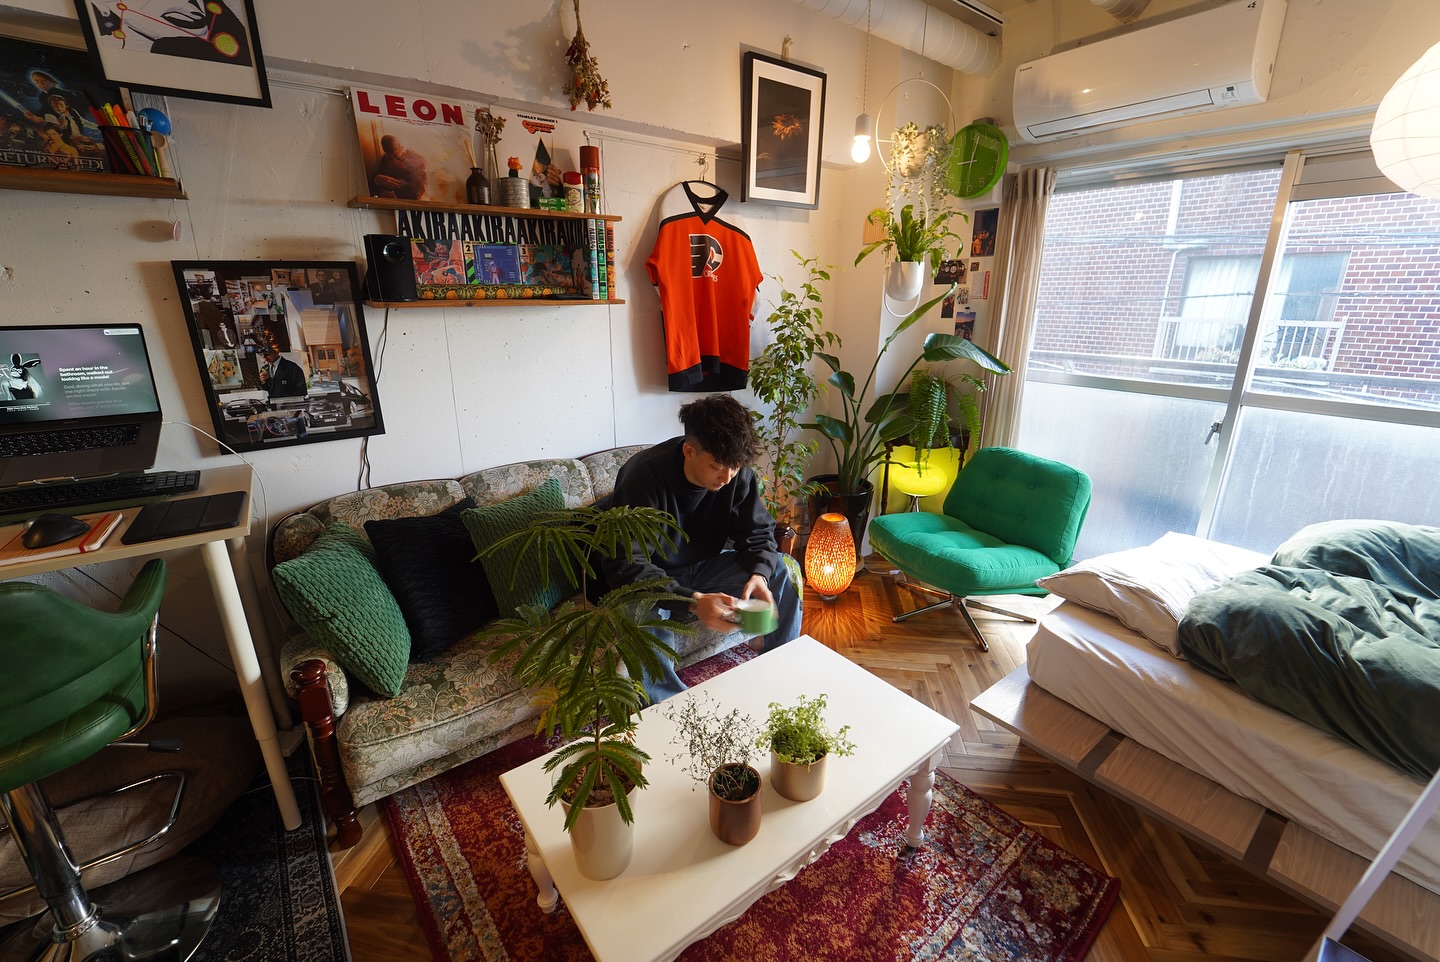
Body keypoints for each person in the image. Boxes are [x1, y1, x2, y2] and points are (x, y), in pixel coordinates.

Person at [603, 394, 802, 703]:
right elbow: (626, 564)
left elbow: (756, 530)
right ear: (689, 451)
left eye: (735, 466)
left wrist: (759, 575)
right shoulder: (643, 477)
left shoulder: (735, 474)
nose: (727, 477)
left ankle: (780, 668)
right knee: (638, 613)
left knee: (777, 566)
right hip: (650, 578)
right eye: (717, 466)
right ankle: (670, 708)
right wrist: (693, 602)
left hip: (702, 567)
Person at [371, 134, 428, 200]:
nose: (392, 159)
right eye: (389, 156)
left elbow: (419, 190)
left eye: (395, 156)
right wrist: (378, 178)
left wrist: (396, 193)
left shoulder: (417, 159)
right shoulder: (386, 158)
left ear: (401, 148)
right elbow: (373, 183)